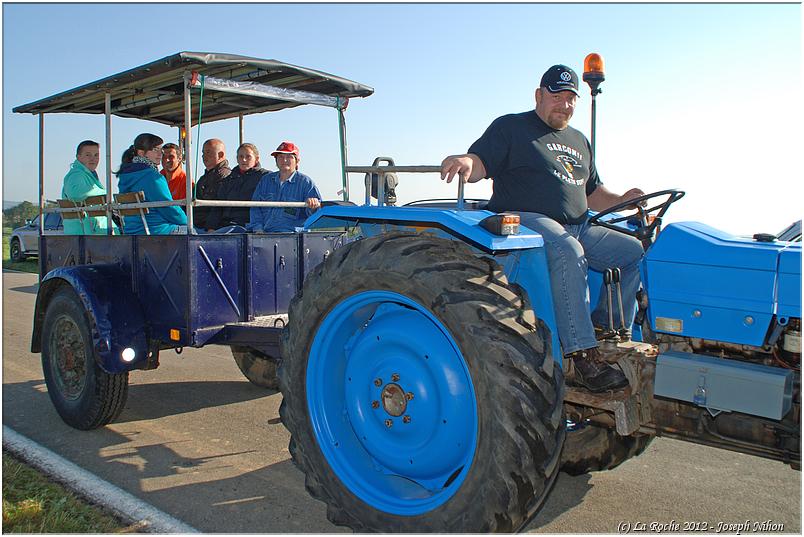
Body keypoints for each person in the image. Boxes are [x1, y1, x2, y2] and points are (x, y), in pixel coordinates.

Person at [440, 64, 645, 393]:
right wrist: (467, 162)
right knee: (568, 250)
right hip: (526, 221)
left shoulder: (579, 141)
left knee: (632, 251)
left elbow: (593, 193)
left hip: (578, 225)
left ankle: (606, 328)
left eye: (570, 98)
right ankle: (580, 355)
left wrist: (624, 198)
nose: (564, 104)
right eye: (556, 96)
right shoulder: (512, 127)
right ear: (539, 95)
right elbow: (482, 162)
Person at [116, 133, 188, 235]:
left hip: (131, 230)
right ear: (141, 153)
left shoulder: (125, 176)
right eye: (155, 150)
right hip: (156, 230)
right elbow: (169, 207)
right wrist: (188, 222)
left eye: (160, 150)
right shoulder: (152, 176)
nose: (160, 154)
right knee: (194, 232)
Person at [247, 141, 321, 233]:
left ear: (297, 161)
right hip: (264, 234)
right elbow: (255, 207)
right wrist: (258, 229)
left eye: (289, 157)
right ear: (276, 160)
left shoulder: (306, 183)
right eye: (280, 157)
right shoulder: (265, 181)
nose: (284, 160)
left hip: (294, 237)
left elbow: (318, 213)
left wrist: (313, 206)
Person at [205, 143, 268, 231]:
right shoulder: (229, 179)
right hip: (225, 225)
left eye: (248, 156)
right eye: (240, 156)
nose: (244, 160)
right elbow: (218, 205)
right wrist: (210, 227)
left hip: (248, 225)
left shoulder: (265, 177)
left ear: (256, 159)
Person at [61, 140, 117, 235]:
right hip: (86, 232)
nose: (93, 159)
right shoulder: (77, 174)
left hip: (90, 231)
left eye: (96, 155)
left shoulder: (87, 175)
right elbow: (76, 193)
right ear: (78, 157)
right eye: (88, 155)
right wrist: (105, 193)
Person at [194, 138, 231, 230]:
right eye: (203, 153)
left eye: (208, 152)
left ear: (220, 155)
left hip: (212, 226)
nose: (204, 156)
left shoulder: (225, 176)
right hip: (199, 224)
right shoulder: (203, 179)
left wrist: (211, 227)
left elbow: (218, 205)